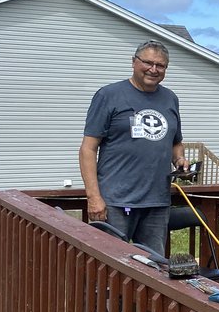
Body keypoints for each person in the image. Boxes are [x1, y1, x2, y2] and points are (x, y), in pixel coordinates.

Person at [79, 41, 188, 249]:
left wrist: (179, 159)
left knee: (153, 268)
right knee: (110, 267)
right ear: (133, 62)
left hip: (157, 201)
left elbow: (176, 142)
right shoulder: (109, 95)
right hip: (115, 202)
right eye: (147, 62)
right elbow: (88, 148)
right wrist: (94, 197)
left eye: (161, 65)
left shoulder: (170, 99)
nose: (153, 69)